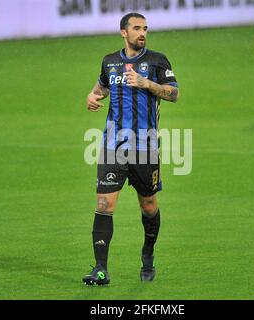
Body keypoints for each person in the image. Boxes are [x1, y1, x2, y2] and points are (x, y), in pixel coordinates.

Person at [83, 12, 179, 285]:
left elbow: (174, 94)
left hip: (145, 148)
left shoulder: (157, 61)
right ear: (123, 32)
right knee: (104, 204)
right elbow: (101, 87)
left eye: (145, 29)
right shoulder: (110, 62)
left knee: (148, 206)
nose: (142, 33)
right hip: (113, 145)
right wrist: (92, 96)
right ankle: (100, 269)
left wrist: (147, 83)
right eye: (137, 28)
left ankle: (147, 256)